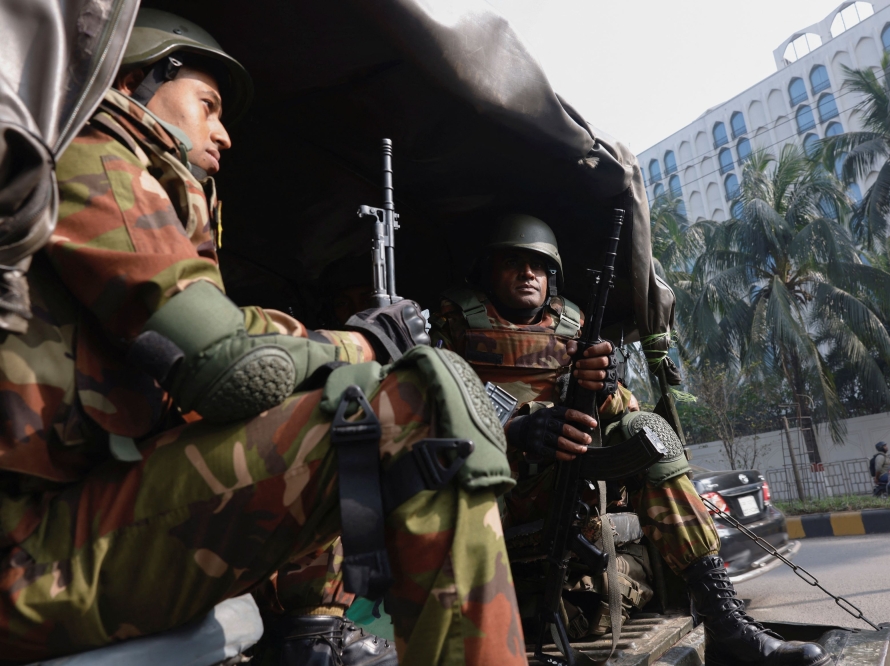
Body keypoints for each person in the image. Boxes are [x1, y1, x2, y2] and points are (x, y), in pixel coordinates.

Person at [0, 10, 527, 666]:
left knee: (343, 400)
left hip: (58, 525)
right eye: (208, 105)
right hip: (28, 551)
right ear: (135, 80)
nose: (224, 133)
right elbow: (227, 367)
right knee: (418, 406)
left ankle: (312, 627)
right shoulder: (89, 151)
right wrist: (361, 344)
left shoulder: (136, 186)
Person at [429, 214, 830, 666]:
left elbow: (623, 411)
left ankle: (725, 623)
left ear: (551, 277)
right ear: (487, 272)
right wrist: (514, 430)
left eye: (538, 265)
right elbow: (429, 417)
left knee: (647, 431)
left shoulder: (574, 326)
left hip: (568, 480)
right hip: (493, 490)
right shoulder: (453, 326)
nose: (527, 274)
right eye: (513, 263)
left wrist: (606, 389)